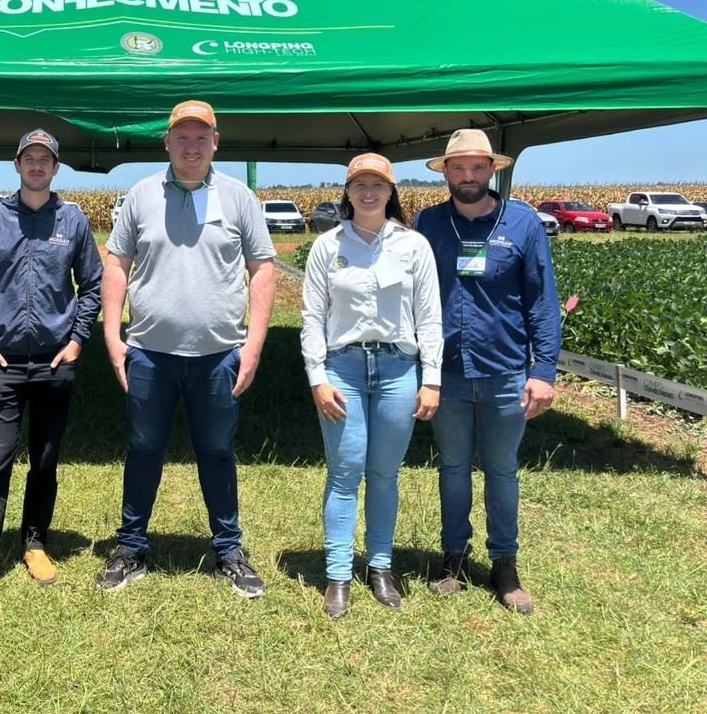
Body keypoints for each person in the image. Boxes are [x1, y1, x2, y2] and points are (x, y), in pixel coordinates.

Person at [98, 100, 277, 598]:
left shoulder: (239, 197)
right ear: (167, 142)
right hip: (149, 352)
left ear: (216, 142)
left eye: (201, 137)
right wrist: (112, 336)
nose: (191, 147)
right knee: (143, 448)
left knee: (217, 451)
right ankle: (131, 547)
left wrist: (254, 345)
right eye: (182, 137)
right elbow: (116, 264)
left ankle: (229, 551)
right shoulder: (140, 195)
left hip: (218, 354)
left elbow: (262, 269)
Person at [414, 129, 562, 614]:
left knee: (502, 470)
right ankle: (453, 558)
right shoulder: (428, 223)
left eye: (478, 166)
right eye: (458, 167)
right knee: (453, 467)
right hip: (447, 373)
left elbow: (542, 301)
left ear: (492, 170)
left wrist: (543, 371)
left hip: (505, 372)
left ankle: (505, 564)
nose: (468, 176)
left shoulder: (522, 223)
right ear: (446, 173)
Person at [0, 129, 103, 605]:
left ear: (55, 168)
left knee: (44, 459)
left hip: (54, 362)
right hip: (3, 361)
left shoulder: (72, 221)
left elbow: (92, 286)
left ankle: (35, 543)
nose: (37, 166)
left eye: (45, 159)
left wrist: (76, 341)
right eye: (29, 158)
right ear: (17, 165)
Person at [300, 153, 442, 618]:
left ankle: (380, 566)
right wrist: (317, 377)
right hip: (343, 369)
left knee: (384, 474)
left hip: (399, 370)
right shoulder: (327, 246)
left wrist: (432, 379)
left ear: (390, 191)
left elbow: (430, 318)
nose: (368, 192)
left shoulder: (414, 246)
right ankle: (338, 573)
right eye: (359, 184)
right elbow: (311, 318)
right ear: (347, 191)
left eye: (377, 185)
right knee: (344, 473)